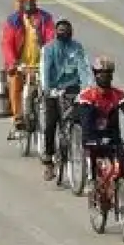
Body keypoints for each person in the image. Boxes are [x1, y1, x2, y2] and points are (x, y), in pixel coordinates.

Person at [39, 19, 94, 180]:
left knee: (84, 121)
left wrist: (88, 88)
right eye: (61, 30)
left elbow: (84, 68)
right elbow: (45, 71)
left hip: (73, 89)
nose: (64, 32)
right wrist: (48, 90)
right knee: (51, 124)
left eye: (66, 30)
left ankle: (88, 160)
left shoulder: (76, 47)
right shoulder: (48, 49)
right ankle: (48, 160)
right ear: (56, 32)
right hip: (54, 91)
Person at [76, 57, 124, 185]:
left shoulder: (119, 95)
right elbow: (85, 122)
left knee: (123, 167)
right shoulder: (87, 96)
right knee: (93, 159)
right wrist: (89, 140)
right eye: (101, 73)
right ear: (95, 75)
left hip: (113, 137)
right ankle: (91, 183)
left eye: (108, 73)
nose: (105, 77)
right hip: (92, 137)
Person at [0, 0, 56, 136]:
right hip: (20, 64)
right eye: (26, 0)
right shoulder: (13, 21)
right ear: (20, 2)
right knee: (15, 82)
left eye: (32, 0)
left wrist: (50, 60)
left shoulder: (45, 19)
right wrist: (12, 63)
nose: (30, 3)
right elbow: (7, 44)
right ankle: (17, 116)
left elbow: (51, 39)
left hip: (40, 64)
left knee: (51, 89)